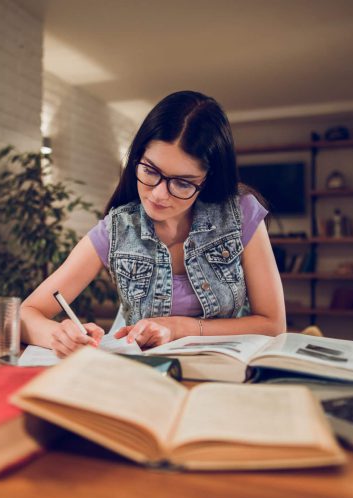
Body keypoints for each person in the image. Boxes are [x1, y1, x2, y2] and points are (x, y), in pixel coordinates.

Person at [20, 90, 286, 357]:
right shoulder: (117, 229)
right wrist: (60, 336)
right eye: (150, 170)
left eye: (182, 182)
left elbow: (273, 325)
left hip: (227, 372)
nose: (159, 194)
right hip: (144, 375)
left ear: (207, 181)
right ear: (137, 158)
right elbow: (27, 313)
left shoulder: (239, 214)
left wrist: (180, 327)